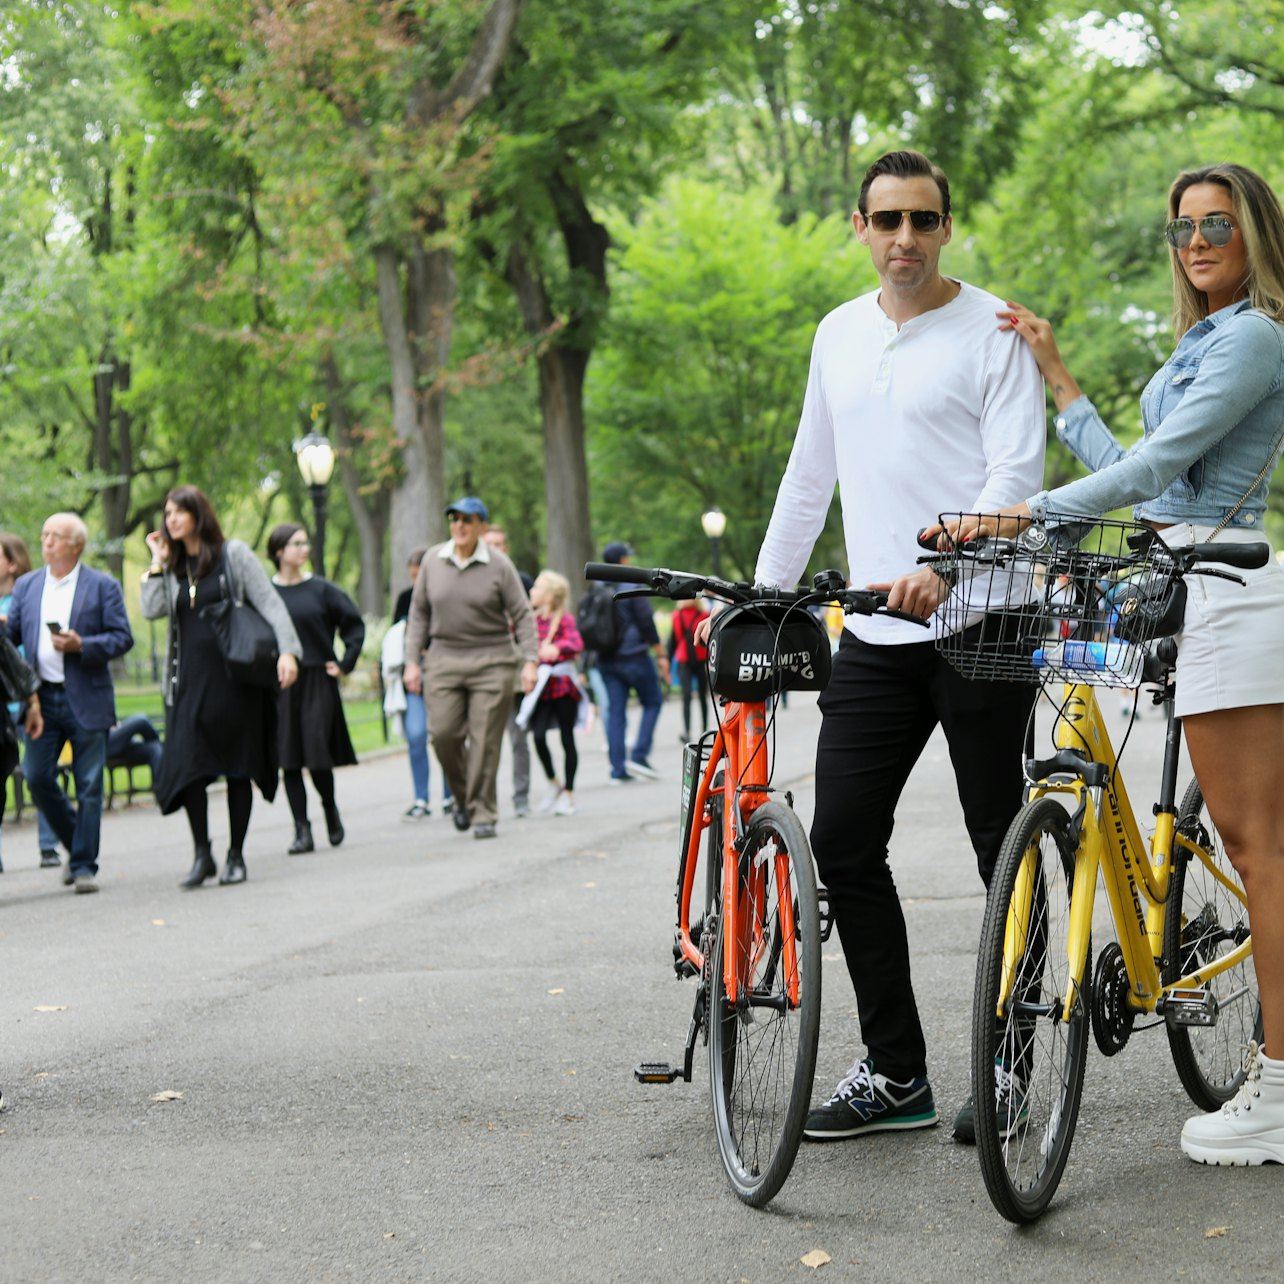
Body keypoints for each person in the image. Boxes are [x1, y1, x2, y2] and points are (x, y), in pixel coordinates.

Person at [926, 162, 1284, 1165]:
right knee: (1168, 806)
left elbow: (1158, 475)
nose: (1198, 241)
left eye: (1218, 223)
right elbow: (1145, 467)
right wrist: (1056, 374)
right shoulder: (1203, 341)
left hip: (1229, 586)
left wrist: (1018, 511)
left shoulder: (1255, 334)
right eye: (1181, 229)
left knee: (1261, 854)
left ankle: (1283, 1086)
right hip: (1179, 580)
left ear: (1256, 231)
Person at [729, 150, 1045, 1142]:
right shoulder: (837, 334)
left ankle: (1008, 1067)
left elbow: (1015, 475)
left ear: (946, 227)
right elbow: (805, 477)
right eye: (888, 220)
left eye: (924, 219)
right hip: (873, 629)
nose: (905, 237)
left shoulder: (991, 329)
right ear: (859, 227)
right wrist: (760, 600)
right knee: (844, 841)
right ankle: (896, 1071)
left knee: (1003, 846)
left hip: (984, 619)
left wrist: (950, 565)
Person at [141, 486, 301, 889]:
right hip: (189, 683)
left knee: (237, 768)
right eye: (167, 513)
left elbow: (270, 604)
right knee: (191, 768)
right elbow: (152, 609)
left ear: (199, 514)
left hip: (235, 680)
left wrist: (288, 652)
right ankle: (202, 853)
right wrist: (157, 564)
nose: (171, 519)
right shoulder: (174, 565)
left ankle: (236, 855)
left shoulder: (234, 555)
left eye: (179, 511)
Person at [5, 513, 135, 894]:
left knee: (90, 783)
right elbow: (11, 638)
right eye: (43, 534)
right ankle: (77, 839)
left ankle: (82, 866)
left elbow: (122, 637)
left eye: (55, 536)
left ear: (75, 545)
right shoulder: (28, 586)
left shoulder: (102, 586)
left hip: (87, 697)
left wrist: (84, 645)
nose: (46, 541)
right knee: (36, 775)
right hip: (40, 700)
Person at [403, 497, 537, 840]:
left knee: (484, 741)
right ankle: (463, 799)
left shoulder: (499, 565)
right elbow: (418, 614)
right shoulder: (433, 560)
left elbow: (522, 614)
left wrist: (530, 660)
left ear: (481, 526)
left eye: (467, 519)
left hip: (492, 660)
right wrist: (411, 663)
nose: (459, 525)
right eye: (454, 519)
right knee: (444, 735)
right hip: (444, 658)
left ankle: (483, 813)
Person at [267, 523, 365, 855]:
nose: (303, 548)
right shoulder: (267, 594)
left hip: (317, 680)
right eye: (296, 544)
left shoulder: (322, 590)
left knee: (316, 752)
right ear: (279, 551)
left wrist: (345, 662)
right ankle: (301, 830)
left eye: (305, 543)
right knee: (289, 757)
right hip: (281, 684)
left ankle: (330, 810)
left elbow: (353, 624)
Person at [1, 532, 62, 868]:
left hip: (27, 699)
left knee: (40, 771)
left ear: (12, 562)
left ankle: (48, 845)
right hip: (2, 706)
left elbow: (26, 650)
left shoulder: (27, 598)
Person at [596, 542, 669, 783]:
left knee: (616, 711)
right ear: (623, 561)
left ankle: (617, 769)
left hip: (606, 659)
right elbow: (646, 621)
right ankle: (638, 755)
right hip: (634, 655)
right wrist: (660, 653)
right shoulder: (632, 585)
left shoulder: (597, 586)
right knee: (653, 701)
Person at [519, 571, 584, 816]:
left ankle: (568, 792)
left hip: (562, 687)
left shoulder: (564, 619)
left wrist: (557, 648)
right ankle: (554, 783)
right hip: (541, 689)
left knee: (567, 738)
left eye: (536, 588)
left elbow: (576, 643)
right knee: (537, 737)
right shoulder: (532, 621)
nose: (531, 592)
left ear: (549, 595)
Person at [392, 548, 449, 819]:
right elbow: (397, 634)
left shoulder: (445, 594)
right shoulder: (406, 599)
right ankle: (421, 798)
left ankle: (452, 795)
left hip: (441, 672)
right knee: (416, 735)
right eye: (413, 577)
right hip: (414, 675)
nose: (417, 582)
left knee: (445, 735)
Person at [483, 525, 533, 817]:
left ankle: (521, 797)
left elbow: (531, 619)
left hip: (514, 668)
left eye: (500, 544)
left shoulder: (520, 580)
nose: (496, 549)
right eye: (490, 544)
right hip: (484, 667)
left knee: (518, 736)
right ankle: (478, 799)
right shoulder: (472, 578)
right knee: (482, 739)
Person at [670, 596, 711, 742]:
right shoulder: (677, 616)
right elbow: (673, 640)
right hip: (686, 659)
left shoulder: (704, 615)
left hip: (697, 659)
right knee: (688, 695)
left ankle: (704, 729)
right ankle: (687, 731)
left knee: (700, 696)